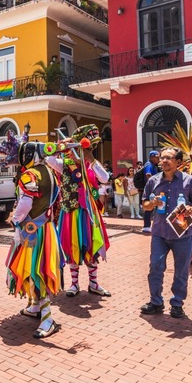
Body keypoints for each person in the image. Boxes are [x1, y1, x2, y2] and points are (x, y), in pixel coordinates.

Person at [0, 135, 64, 338]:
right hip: (47, 228)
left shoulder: (30, 175)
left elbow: (25, 203)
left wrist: (15, 218)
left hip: (32, 230)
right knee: (39, 267)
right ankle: (35, 306)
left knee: (36, 270)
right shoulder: (52, 173)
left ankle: (47, 318)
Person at [47, 125, 111, 297]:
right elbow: (48, 159)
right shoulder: (64, 164)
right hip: (71, 212)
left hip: (89, 213)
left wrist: (90, 158)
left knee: (91, 247)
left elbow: (105, 178)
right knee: (72, 246)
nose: (84, 151)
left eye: (89, 148)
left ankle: (93, 283)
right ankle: (74, 284)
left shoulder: (91, 165)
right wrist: (61, 145)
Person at [140, 147, 192, 318]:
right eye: (162, 158)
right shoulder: (153, 181)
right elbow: (144, 205)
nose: (164, 161)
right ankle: (156, 302)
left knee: (181, 270)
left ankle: (177, 303)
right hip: (160, 233)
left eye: (169, 158)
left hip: (182, 234)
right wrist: (152, 203)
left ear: (178, 162)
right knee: (156, 266)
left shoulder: (189, 181)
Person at [140, 151, 160, 232]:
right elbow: (148, 175)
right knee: (149, 207)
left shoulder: (153, 165)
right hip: (151, 190)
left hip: (152, 189)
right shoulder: (149, 165)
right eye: (157, 157)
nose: (158, 159)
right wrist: (154, 186)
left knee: (154, 206)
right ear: (152, 157)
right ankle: (146, 226)